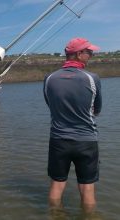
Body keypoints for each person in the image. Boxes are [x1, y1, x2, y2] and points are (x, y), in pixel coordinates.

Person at [43, 37, 102, 210]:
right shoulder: (92, 78)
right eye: (89, 52)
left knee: (57, 184)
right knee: (87, 187)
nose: (91, 55)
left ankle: (55, 215)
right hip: (86, 141)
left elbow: (51, 105)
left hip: (58, 140)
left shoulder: (49, 78)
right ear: (78, 54)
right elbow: (97, 110)